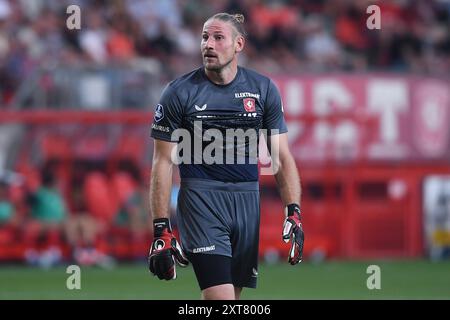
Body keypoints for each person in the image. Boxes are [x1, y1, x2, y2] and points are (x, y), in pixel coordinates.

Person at [148, 12, 304, 300]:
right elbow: (162, 162)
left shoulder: (263, 89)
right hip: (201, 201)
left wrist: (293, 211)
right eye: (205, 37)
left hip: (247, 202)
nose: (209, 44)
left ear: (238, 45)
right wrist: (161, 228)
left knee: (232, 297)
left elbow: (281, 156)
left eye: (218, 38)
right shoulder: (179, 92)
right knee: (220, 298)